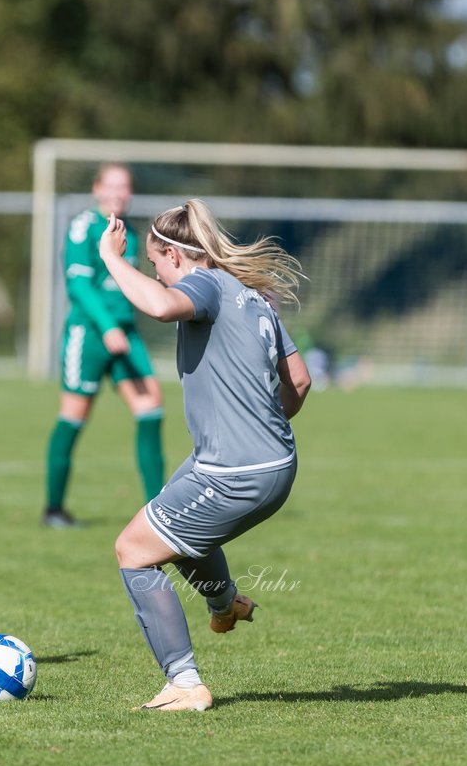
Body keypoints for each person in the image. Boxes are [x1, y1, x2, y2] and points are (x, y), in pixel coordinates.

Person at [98, 198, 311, 711]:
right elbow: (299, 381)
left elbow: (160, 306)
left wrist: (112, 259)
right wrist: (260, 427)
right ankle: (226, 603)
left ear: (174, 254)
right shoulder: (254, 297)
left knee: (134, 550)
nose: (157, 273)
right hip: (274, 462)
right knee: (173, 517)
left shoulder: (207, 284)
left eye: (155, 263)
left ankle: (185, 684)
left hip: (234, 470)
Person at [42, 163, 165, 528]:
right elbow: (78, 286)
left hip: (126, 335)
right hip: (90, 336)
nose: (118, 193)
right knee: (74, 417)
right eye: (111, 185)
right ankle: (54, 509)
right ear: (97, 189)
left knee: (152, 409)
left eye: (124, 187)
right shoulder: (84, 227)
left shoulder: (133, 231)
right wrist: (107, 326)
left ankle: (159, 512)